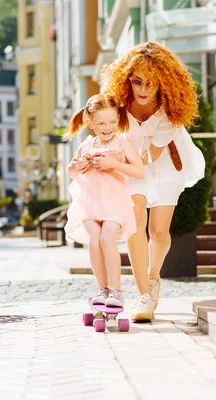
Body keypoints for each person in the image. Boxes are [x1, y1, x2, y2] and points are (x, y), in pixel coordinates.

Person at [101, 41, 206, 321]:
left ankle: (153, 277)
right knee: (135, 222)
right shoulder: (119, 106)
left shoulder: (170, 110)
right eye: (137, 82)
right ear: (128, 80)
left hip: (163, 164)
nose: (144, 90)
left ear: (163, 82)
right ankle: (142, 296)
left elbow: (150, 156)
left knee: (159, 233)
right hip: (130, 165)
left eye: (151, 83)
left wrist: (117, 164)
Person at [63, 93, 144, 307]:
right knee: (94, 241)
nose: (108, 127)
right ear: (90, 122)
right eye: (101, 123)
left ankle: (116, 291)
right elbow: (71, 172)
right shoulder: (87, 145)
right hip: (90, 202)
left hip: (115, 202)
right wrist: (75, 167)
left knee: (107, 238)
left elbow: (139, 171)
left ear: (118, 118)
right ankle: (102, 289)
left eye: (112, 121)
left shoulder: (123, 143)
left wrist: (114, 164)